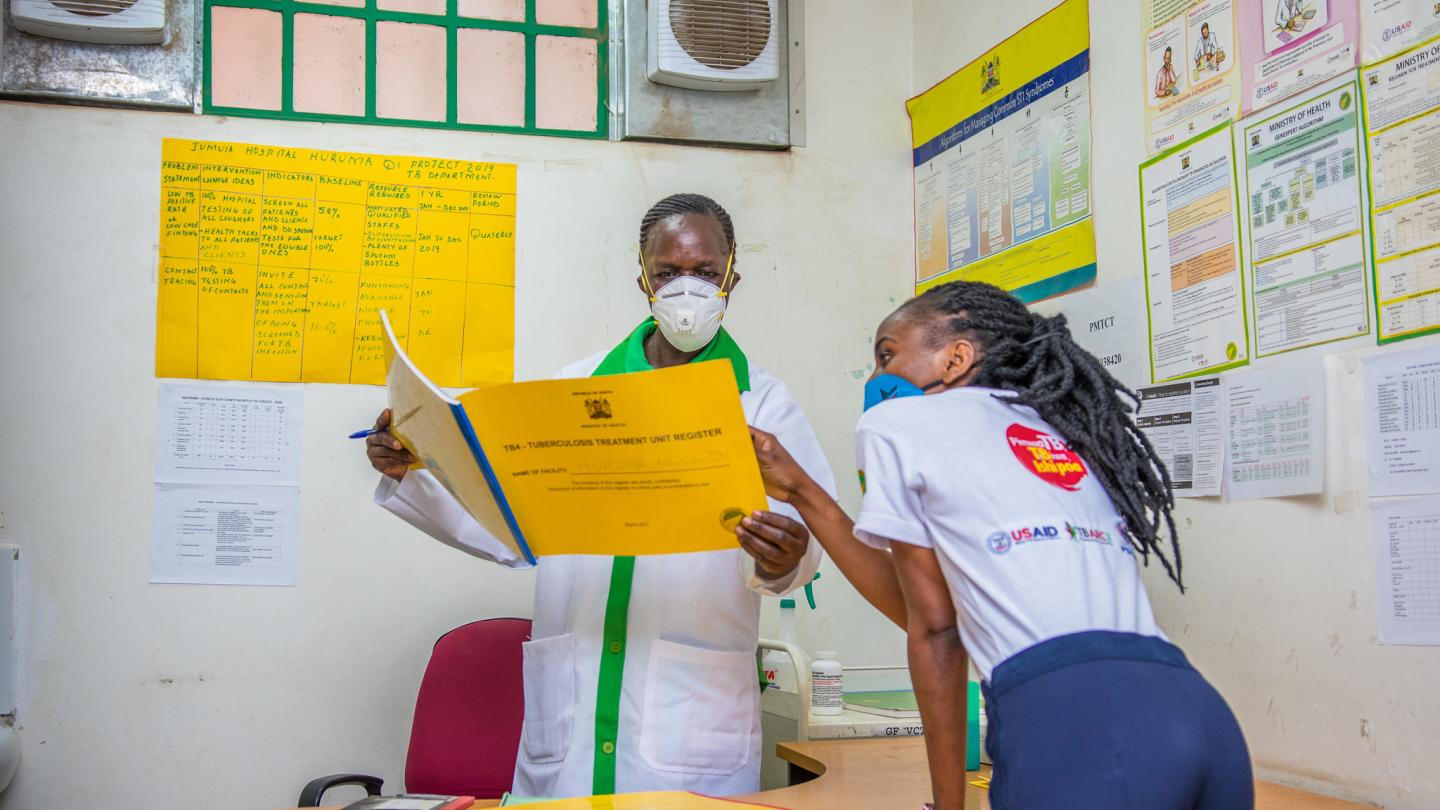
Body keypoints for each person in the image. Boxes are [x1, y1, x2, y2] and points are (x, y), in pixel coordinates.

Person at [365, 193, 837, 798]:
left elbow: (804, 541)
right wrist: (415, 472)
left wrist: (785, 558)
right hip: (572, 713)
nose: (685, 288)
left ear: (731, 276)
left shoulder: (765, 404)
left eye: (704, 271)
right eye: (668, 272)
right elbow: (512, 525)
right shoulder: (570, 389)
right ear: (642, 276)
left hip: (692, 719)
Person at [740, 281, 1253, 810]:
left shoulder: (895, 422)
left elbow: (937, 631)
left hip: (1077, 725)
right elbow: (939, 608)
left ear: (956, 358)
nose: (875, 378)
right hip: (1199, 712)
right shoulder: (1057, 429)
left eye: (887, 354)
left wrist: (949, 805)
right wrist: (801, 490)